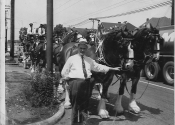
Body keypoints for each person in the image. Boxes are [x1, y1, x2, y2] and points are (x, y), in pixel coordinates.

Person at [61, 38, 121, 125]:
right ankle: (75, 123)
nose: (82, 50)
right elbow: (64, 72)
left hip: (86, 84)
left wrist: (112, 68)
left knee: (85, 105)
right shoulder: (71, 59)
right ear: (78, 48)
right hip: (75, 83)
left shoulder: (89, 60)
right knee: (76, 106)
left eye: (84, 48)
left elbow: (98, 67)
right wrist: (69, 81)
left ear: (86, 49)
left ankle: (83, 122)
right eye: (81, 48)